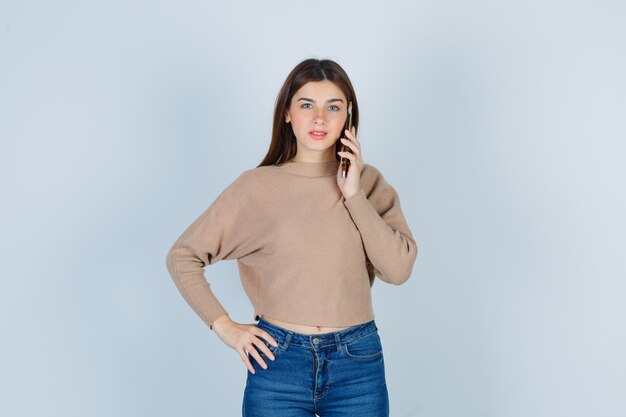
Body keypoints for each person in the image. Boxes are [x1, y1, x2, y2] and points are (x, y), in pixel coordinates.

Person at [165, 58, 418, 417]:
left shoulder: (369, 183)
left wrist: (353, 195)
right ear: (287, 114)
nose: (320, 118)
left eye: (333, 106)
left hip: (357, 363)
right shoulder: (257, 187)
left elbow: (397, 270)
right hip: (277, 361)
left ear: (349, 116)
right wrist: (225, 327)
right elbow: (182, 256)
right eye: (306, 105)